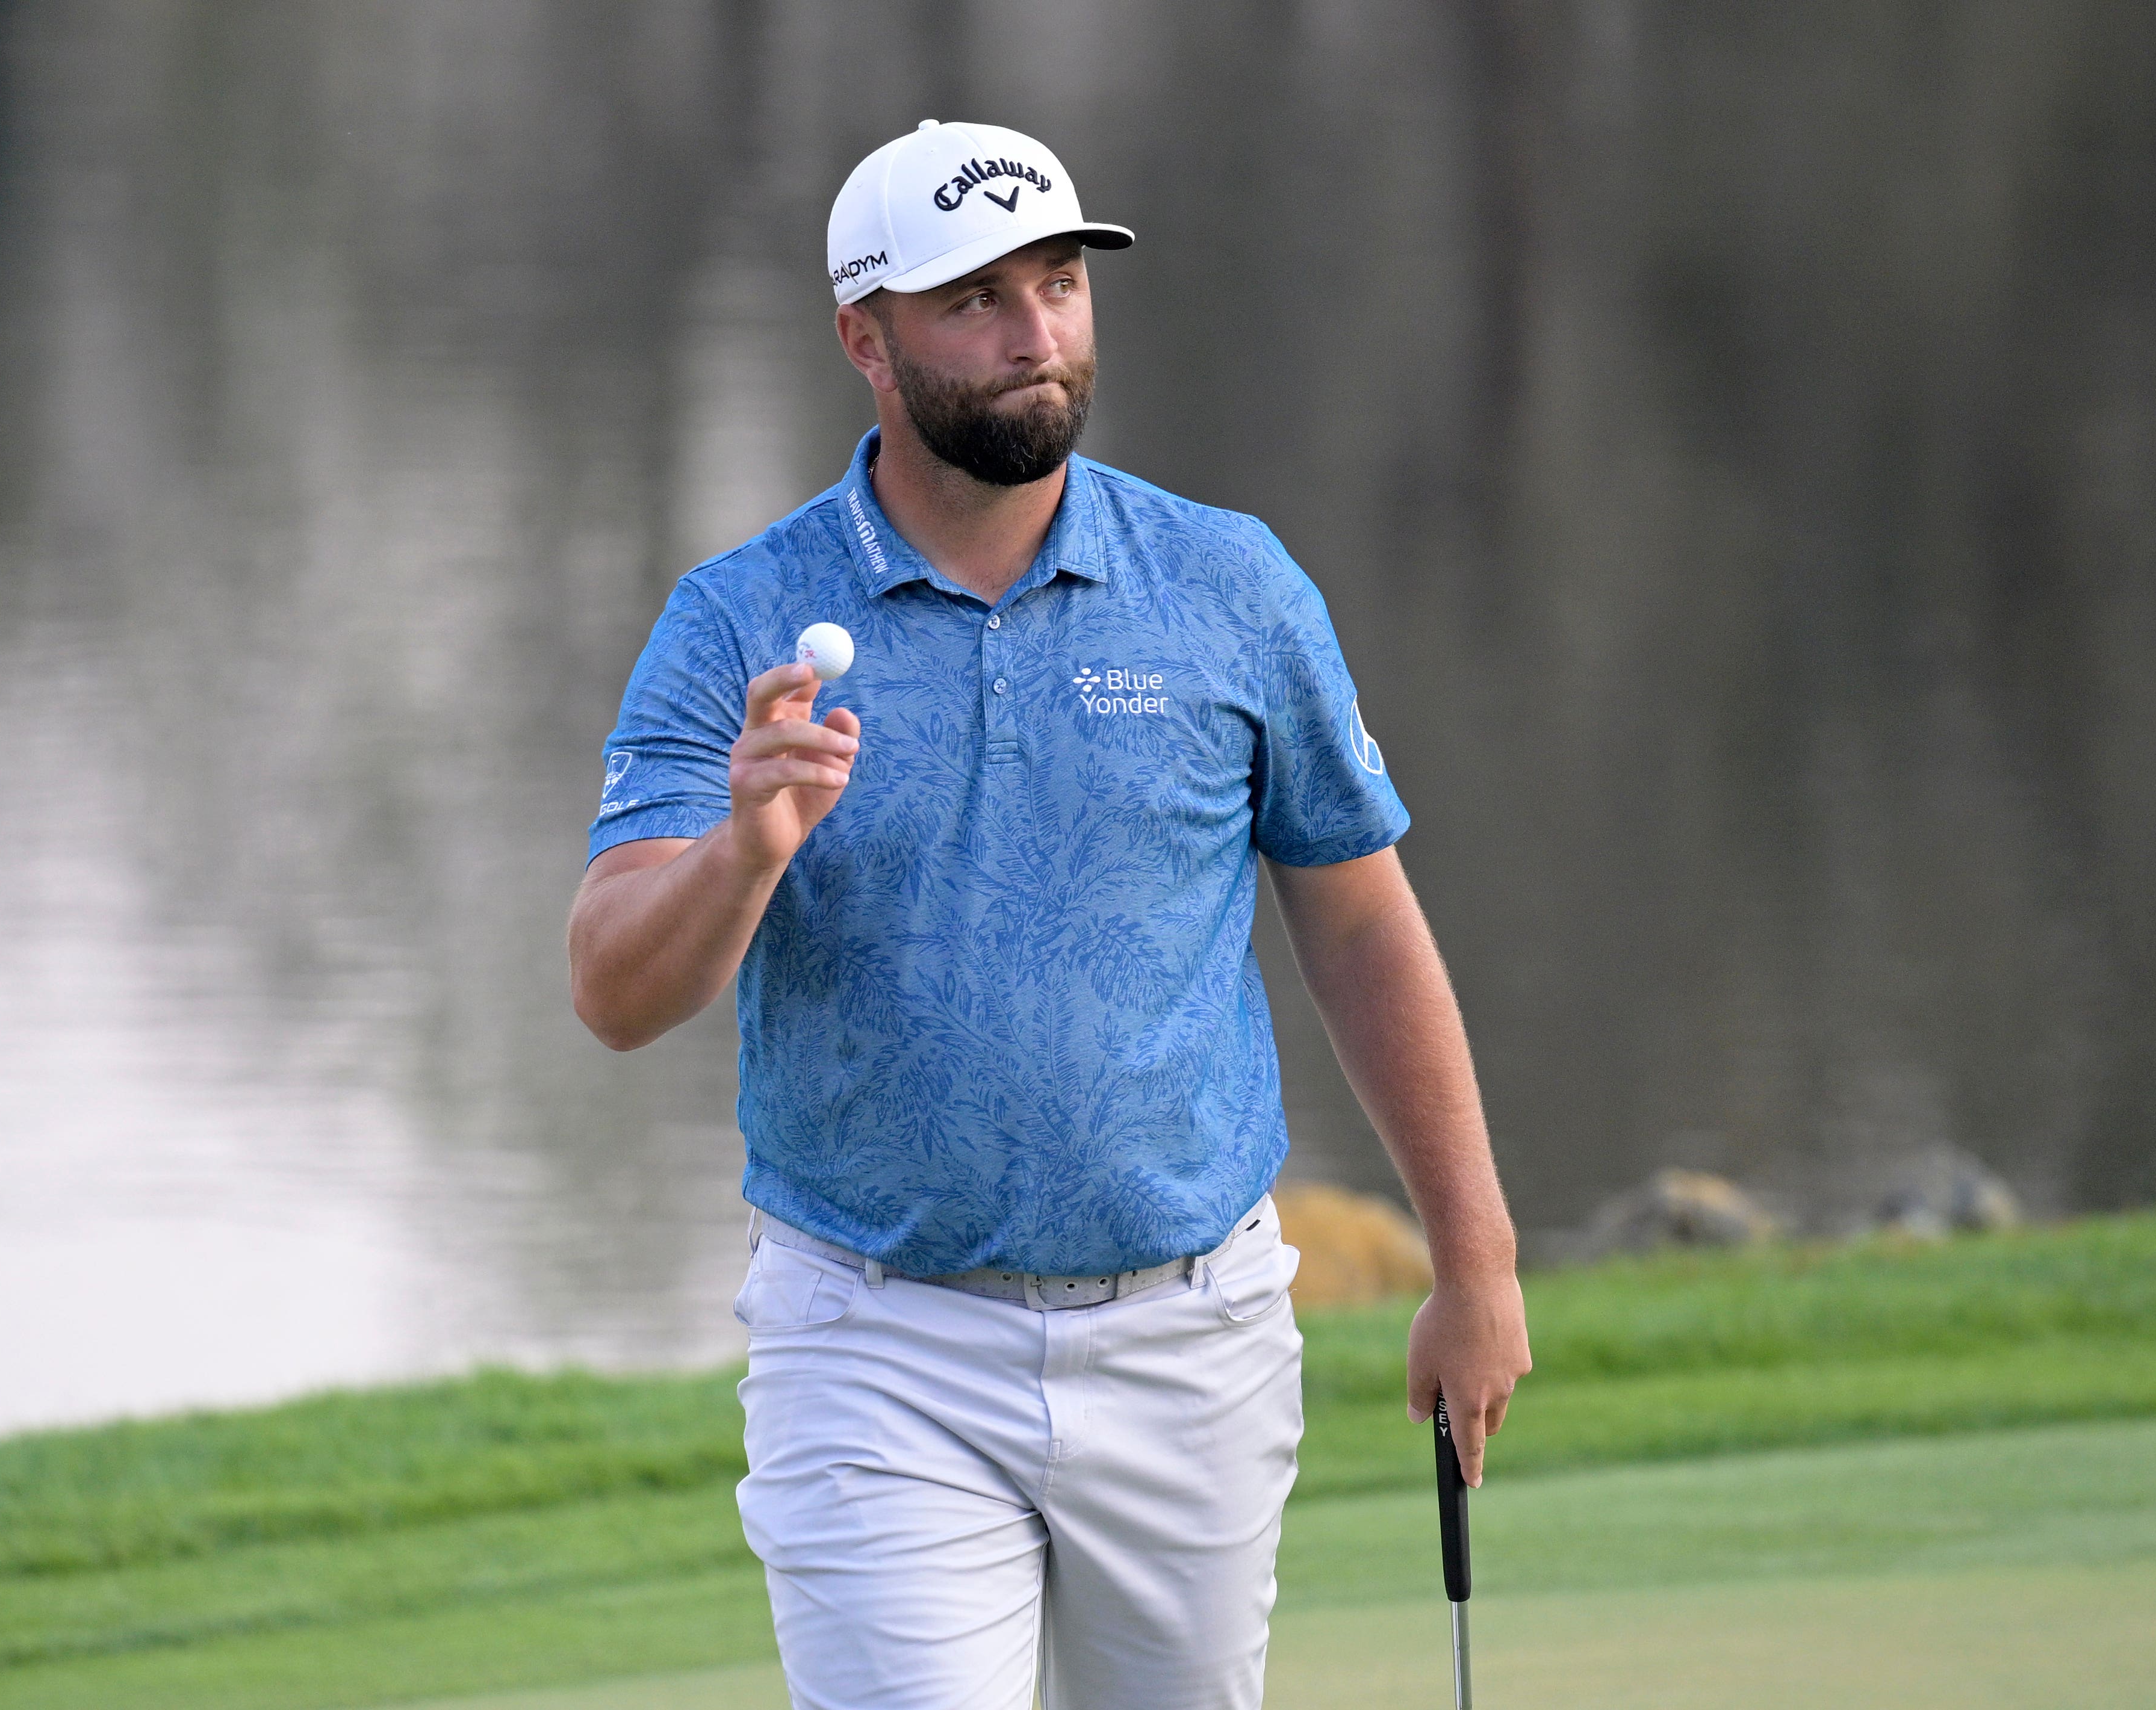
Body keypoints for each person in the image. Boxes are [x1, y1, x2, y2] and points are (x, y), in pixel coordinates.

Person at [567, 119, 1529, 1710]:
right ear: (862, 338)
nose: (1036, 336)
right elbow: (610, 987)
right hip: (880, 1342)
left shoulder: (1229, 585)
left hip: (1193, 1337)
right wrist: (746, 849)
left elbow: (1361, 928)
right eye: (977, 300)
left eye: (1060, 283)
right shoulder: (741, 617)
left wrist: (1475, 1260)